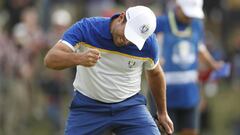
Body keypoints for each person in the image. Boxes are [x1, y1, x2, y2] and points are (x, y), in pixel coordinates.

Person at [44, 5, 174, 135]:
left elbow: (155, 73)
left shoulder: (148, 44)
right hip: (88, 107)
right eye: (128, 34)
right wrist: (79, 58)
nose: (127, 41)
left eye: (133, 39)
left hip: (130, 107)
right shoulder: (88, 28)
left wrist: (162, 112)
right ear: (121, 18)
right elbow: (50, 59)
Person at [147, 0, 224, 135]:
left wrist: (213, 64)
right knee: (163, 132)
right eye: (187, 13)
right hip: (164, 93)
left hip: (189, 93)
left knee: (190, 131)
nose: (190, 17)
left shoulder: (197, 25)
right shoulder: (161, 23)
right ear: (178, 7)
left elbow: (200, 48)